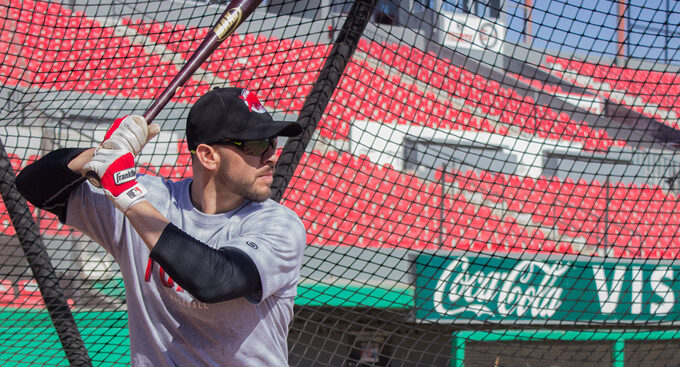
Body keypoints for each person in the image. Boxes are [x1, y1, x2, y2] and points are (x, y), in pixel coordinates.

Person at [16, 87, 307, 366]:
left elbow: (215, 280)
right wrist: (97, 155)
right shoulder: (154, 198)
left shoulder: (278, 224)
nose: (271, 155)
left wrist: (127, 195)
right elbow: (32, 187)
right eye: (257, 144)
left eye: (272, 142)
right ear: (207, 156)